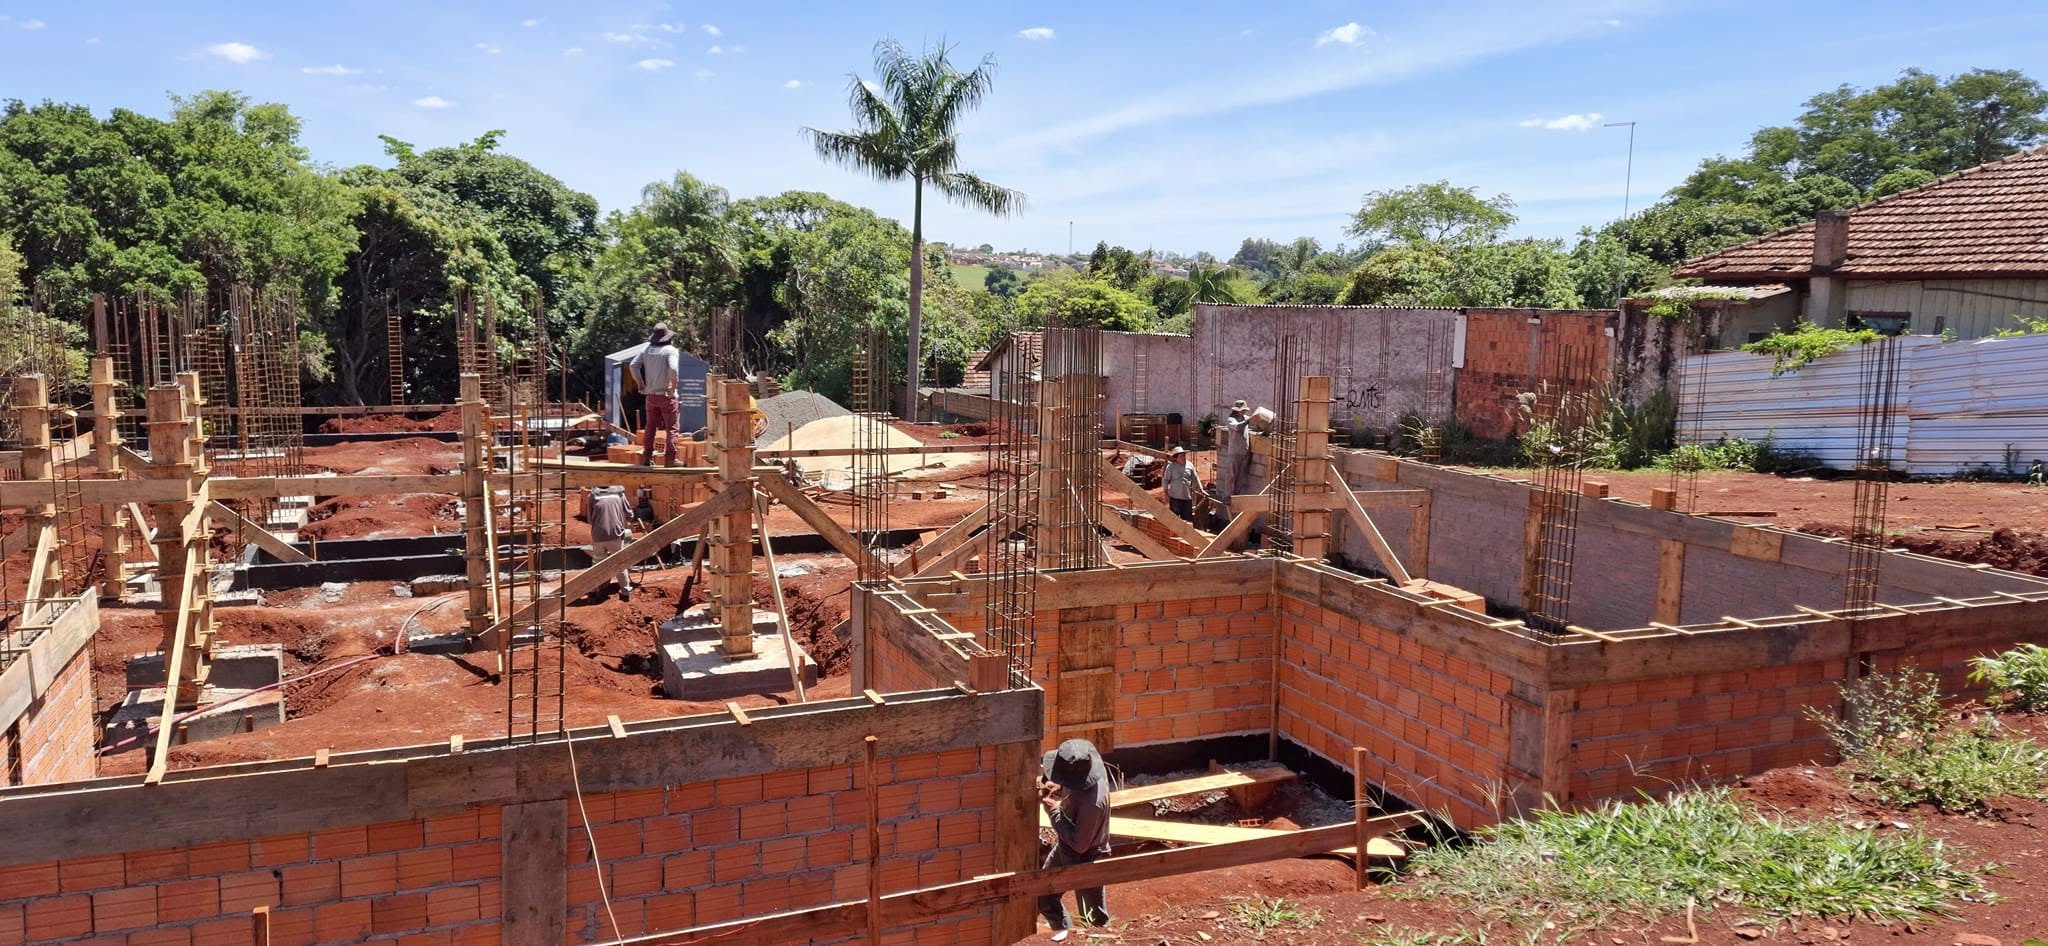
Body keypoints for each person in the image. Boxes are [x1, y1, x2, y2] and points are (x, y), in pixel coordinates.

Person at [1038, 739, 1111, 940]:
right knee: (1045, 897)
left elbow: (1080, 844)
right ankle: (1068, 937)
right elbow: (1076, 786)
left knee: (1094, 919)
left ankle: (1095, 942)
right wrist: (1059, 786)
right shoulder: (1087, 770)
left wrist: (1054, 812)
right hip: (1066, 847)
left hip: (1087, 856)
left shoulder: (1093, 803)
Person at [632, 323, 683, 467]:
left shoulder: (646, 350)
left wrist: (640, 384)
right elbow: (673, 369)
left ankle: (647, 457)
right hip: (666, 396)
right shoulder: (670, 351)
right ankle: (671, 460)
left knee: (650, 427)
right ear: (668, 338)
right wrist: (673, 386)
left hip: (651, 396)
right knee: (672, 428)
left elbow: (633, 365)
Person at [583, 485, 634, 601]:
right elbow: (629, 514)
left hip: (598, 535)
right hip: (616, 534)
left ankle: (593, 591)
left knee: (597, 564)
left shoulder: (593, 495)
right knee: (620, 564)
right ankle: (625, 592)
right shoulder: (619, 493)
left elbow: (590, 519)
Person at [1160, 447, 1203, 523]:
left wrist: (1201, 489)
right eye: (1181, 456)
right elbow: (1165, 480)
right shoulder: (1171, 467)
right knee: (1174, 520)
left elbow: (1195, 478)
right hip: (1175, 498)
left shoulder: (1190, 465)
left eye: (1184, 455)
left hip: (1187, 498)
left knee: (1187, 521)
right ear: (1176, 458)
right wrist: (1166, 494)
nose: (1183, 457)